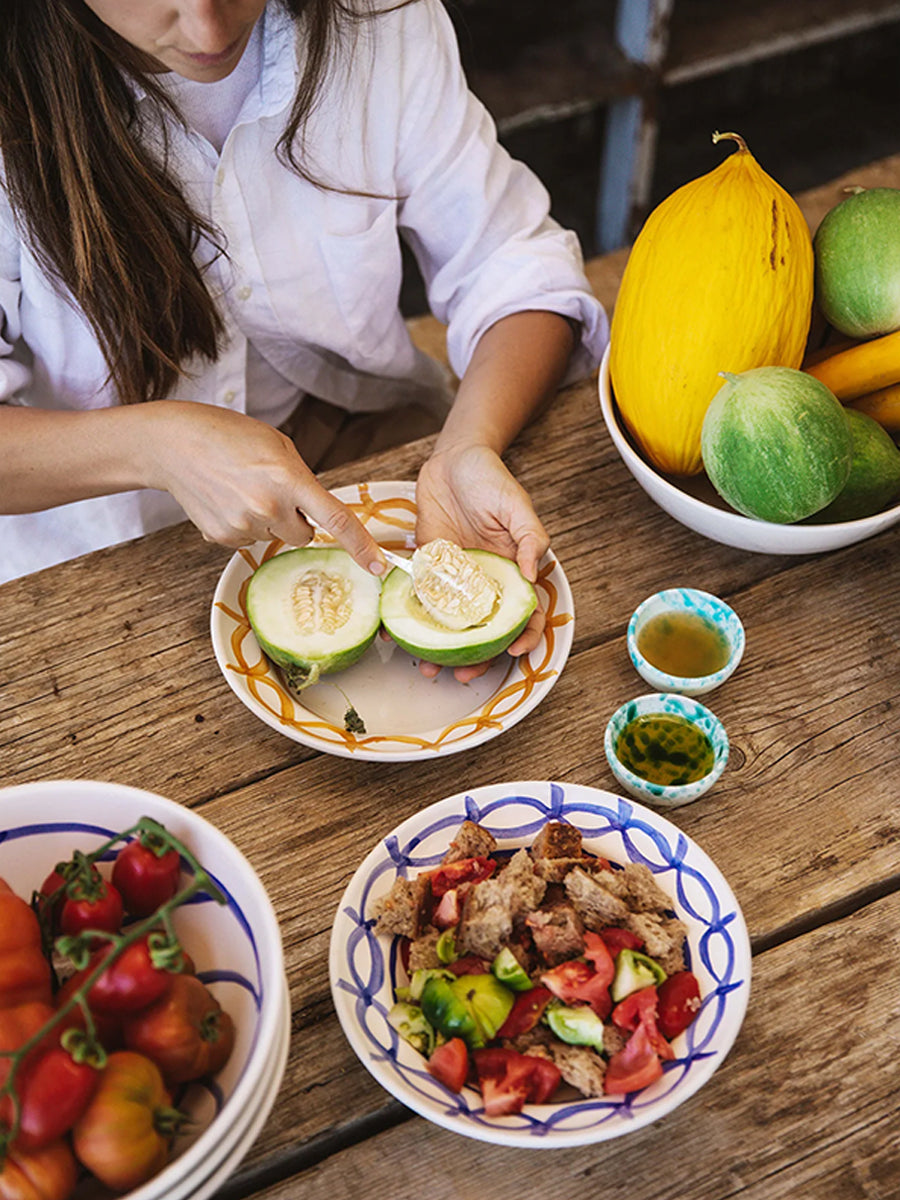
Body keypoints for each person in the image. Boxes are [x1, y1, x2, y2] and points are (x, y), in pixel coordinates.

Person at [0, 0, 607, 676]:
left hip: (354, 437)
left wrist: (468, 445)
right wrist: (153, 446)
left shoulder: (378, 19)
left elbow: (511, 262)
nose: (210, 30)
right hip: (94, 534)